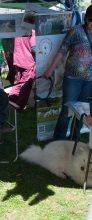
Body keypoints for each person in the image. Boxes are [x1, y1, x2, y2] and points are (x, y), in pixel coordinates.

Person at [43, 4, 92, 140]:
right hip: (72, 79)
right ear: (85, 18)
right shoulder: (75, 31)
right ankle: (58, 140)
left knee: (81, 112)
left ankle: (74, 139)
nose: (91, 23)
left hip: (89, 81)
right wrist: (50, 70)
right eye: (89, 19)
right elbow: (62, 51)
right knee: (67, 111)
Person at [8, 28, 36, 111]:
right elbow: (34, 47)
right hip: (28, 61)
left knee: (18, 82)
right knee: (26, 84)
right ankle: (19, 106)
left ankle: (11, 100)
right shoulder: (32, 30)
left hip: (18, 60)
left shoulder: (18, 29)